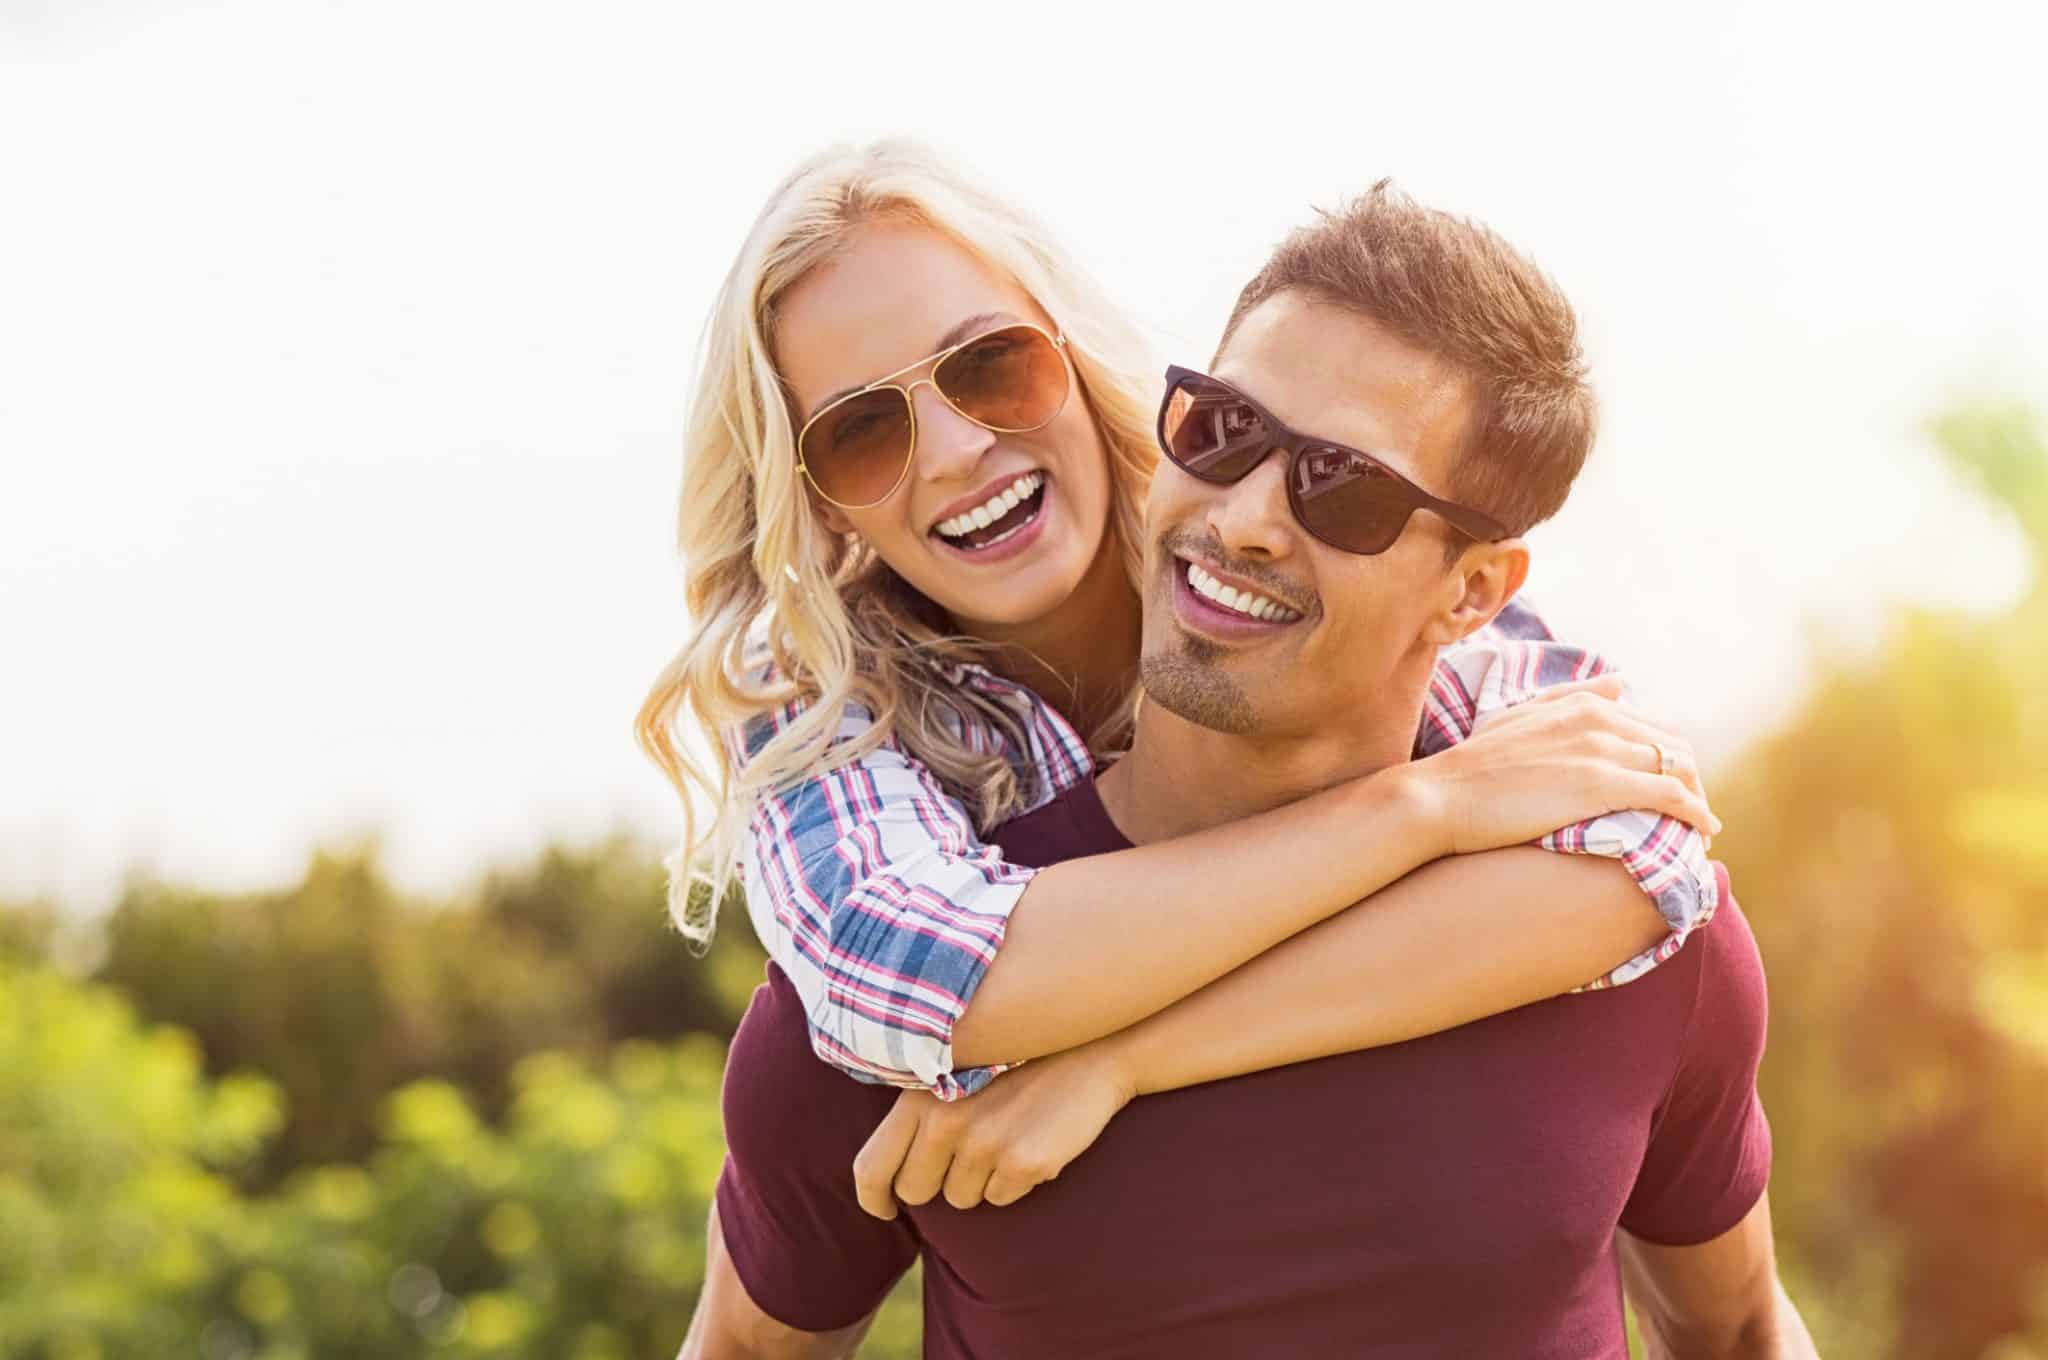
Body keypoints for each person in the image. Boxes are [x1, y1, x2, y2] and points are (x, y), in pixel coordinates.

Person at [683, 182, 1816, 1357]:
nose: (1245, 519)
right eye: (1224, 432)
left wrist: (1124, 1058)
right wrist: (1423, 809)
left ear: (1472, 592)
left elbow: (1735, 1327)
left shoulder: (1598, 913)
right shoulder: (901, 1018)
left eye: (1345, 488)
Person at [635, 140, 1720, 1142]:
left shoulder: (1262, 524)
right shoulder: (817, 702)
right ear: (818, 502)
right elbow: (904, 974)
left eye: (989, 368)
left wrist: (1131, 1057)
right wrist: (1421, 810)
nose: (959, 450)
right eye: (862, 431)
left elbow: (1643, 843)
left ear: (1067, 348)